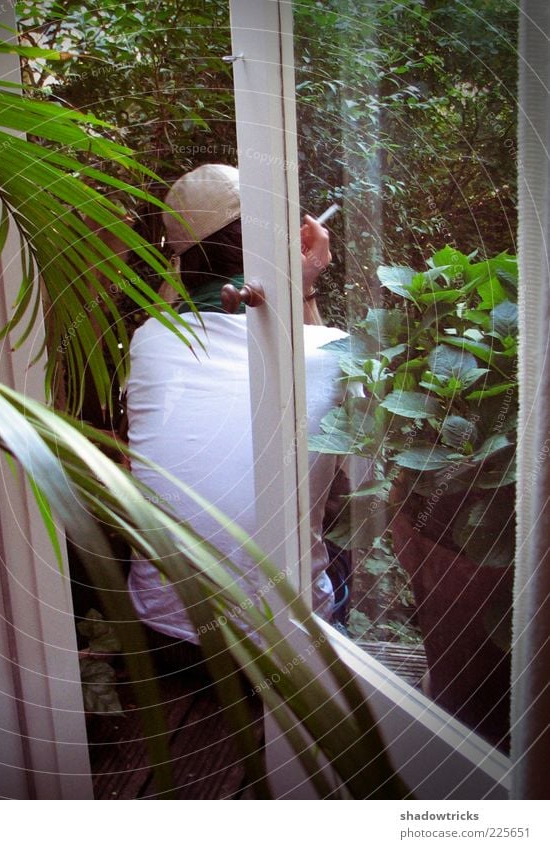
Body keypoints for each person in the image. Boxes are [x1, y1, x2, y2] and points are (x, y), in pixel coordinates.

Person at [125, 163, 349, 651]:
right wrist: (305, 284)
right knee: (340, 547)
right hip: (287, 648)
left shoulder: (149, 341)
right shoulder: (332, 351)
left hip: (165, 638)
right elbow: (341, 490)